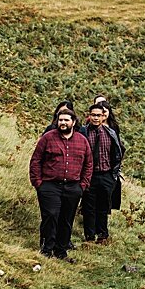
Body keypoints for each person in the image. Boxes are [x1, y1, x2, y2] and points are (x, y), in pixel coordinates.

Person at [30, 107, 92, 260]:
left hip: (73, 187)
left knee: (66, 219)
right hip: (50, 185)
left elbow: (88, 164)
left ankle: (61, 251)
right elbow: (36, 160)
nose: (63, 123)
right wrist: (38, 183)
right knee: (50, 215)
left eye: (66, 120)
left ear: (74, 122)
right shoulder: (48, 138)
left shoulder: (82, 140)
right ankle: (46, 248)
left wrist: (82, 186)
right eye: (60, 120)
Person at [78, 103, 124, 243]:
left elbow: (118, 151)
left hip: (106, 175)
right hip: (89, 175)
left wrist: (114, 174)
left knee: (104, 206)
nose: (96, 118)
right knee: (88, 207)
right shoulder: (84, 132)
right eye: (93, 115)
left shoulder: (110, 133)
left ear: (103, 117)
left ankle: (103, 234)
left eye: (99, 115)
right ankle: (90, 236)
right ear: (89, 116)